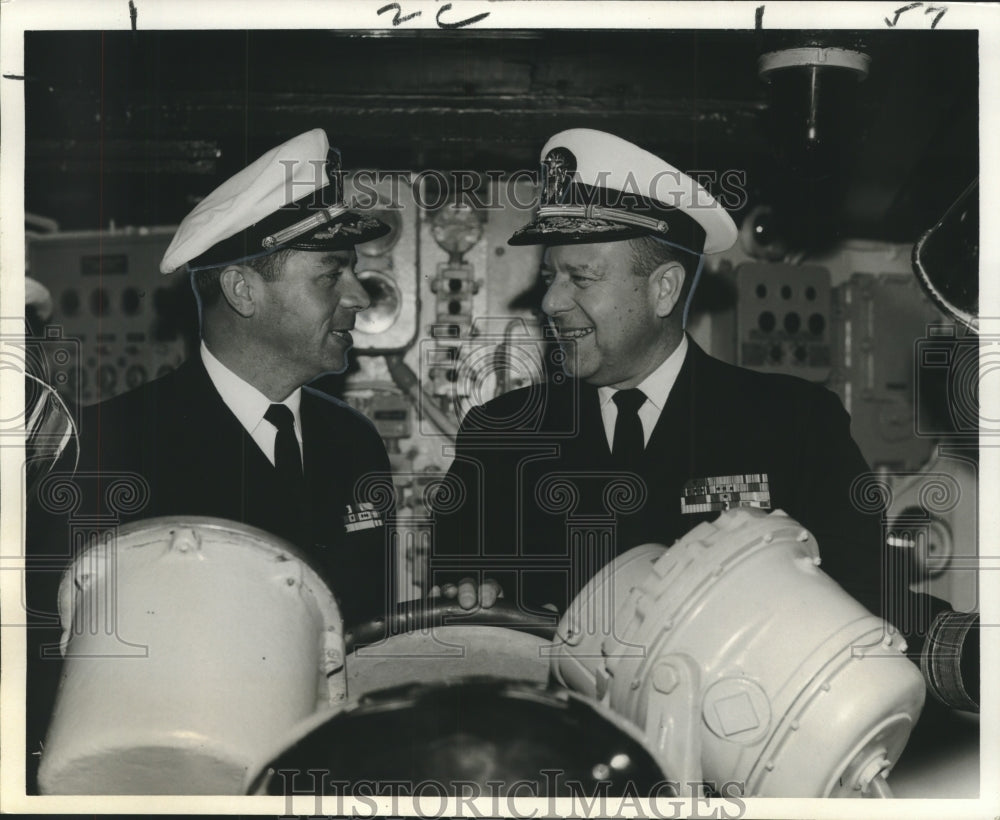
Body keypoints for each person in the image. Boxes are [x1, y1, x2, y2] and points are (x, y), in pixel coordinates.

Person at [432, 128, 928, 638]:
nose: (551, 302)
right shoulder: (501, 436)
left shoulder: (796, 425)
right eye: (549, 277)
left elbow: (863, 598)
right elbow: (450, 594)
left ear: (663, 290)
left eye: (579, 278)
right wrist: (470, 594)